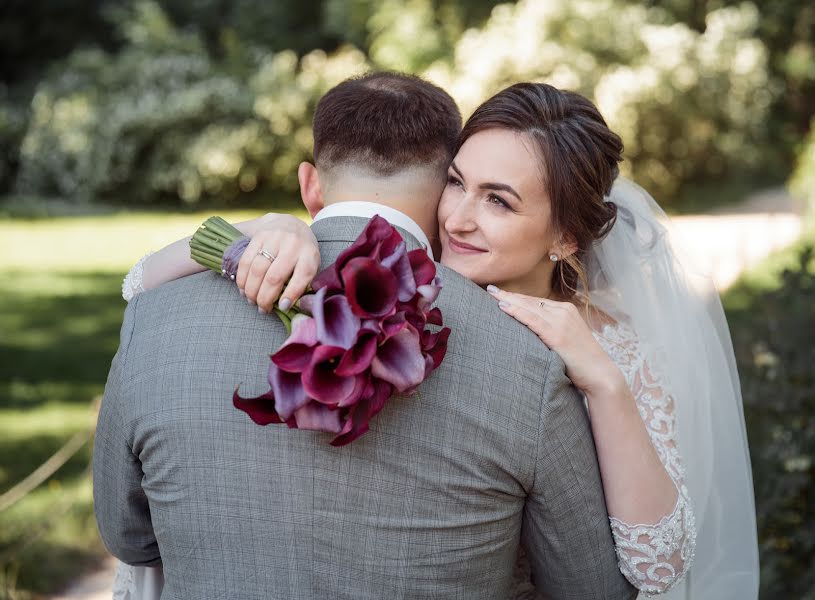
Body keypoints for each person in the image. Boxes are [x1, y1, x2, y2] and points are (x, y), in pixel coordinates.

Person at [95, 72, 637, 600]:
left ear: (310, 185)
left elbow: (129, 537)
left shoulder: (156, 316)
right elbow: (589, 586)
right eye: (456, 186)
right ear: (439, 194)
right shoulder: (532, 361)